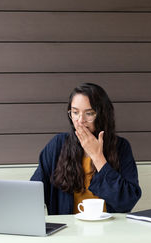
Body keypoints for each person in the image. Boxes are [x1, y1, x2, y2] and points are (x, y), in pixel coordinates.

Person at [31, 83, 141, 215]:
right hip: (68, 231)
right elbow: (33, 194)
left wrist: (97, 157)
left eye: (89, 113)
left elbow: (127, 202)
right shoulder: (58, 145)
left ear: (102, 115)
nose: (80, 120)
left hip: (110, 230)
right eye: (75, 112)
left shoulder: (121, 147)